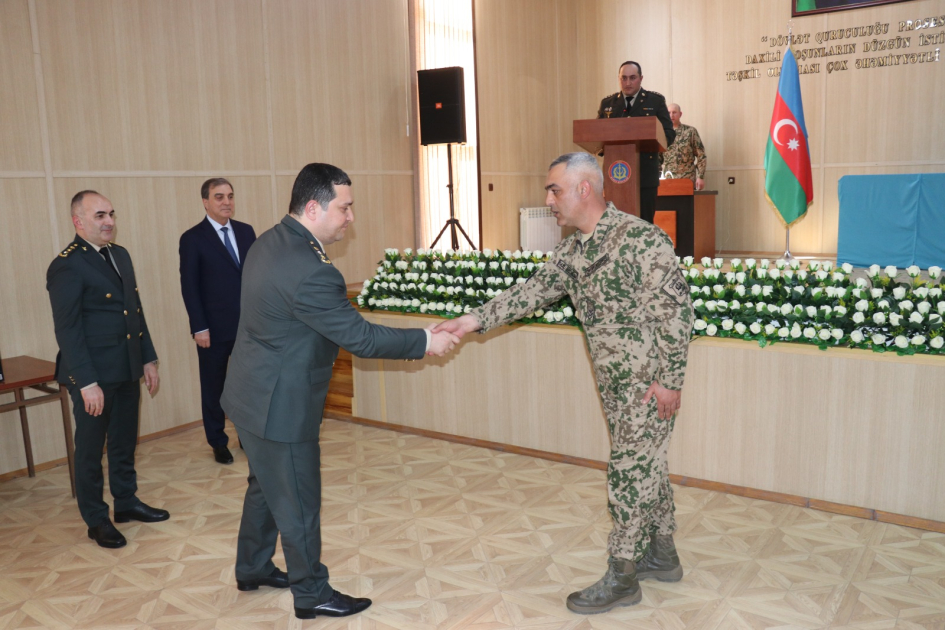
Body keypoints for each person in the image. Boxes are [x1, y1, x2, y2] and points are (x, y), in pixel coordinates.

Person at [434, 152, 693, 614]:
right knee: (647, 462)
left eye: (554, 189)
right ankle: (664, 553)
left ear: (584, 189)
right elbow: (528, 293)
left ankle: (623, 573)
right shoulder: (574, 251)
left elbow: (676, 315)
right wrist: (471, 320)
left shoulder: (639, 239)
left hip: (647, 385)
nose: (548, 199)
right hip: (614, 386)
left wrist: (670, 381)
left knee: (629, 471)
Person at [221, 163, 459, 620]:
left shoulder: (269, 240)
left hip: (248, 394)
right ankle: (311, 592)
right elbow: (362, 338)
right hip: (280, 407)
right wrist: (426, 340)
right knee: (299, 503)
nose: (350, 217)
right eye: (344, 207)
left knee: (265, 488)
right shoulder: (312, 271)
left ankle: (251, 566)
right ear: (314, 207)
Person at [46, 191, 169, 549]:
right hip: (93, 375)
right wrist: (86, 382)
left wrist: (147, 358)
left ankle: (126, 502)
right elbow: (67, 329)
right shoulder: (67, 265)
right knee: (89, 450)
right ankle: (96, 519)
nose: (109, 222)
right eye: (99, 215)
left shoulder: (120, 255)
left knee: (124, 442)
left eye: (111, 214)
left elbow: (135, 310)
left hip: (126, 367)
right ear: (78, 221)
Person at [179, 178, 256, 464]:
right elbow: (190, 286)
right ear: (206, 202)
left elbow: (256, 277)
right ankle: (217, 440)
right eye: (219, 197)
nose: (227, 202)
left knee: (247, 384)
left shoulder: (247, 232)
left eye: (230, 196)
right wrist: (199, 327)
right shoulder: (193, 238)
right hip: (212, 329)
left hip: (248, 327)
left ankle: (247, 435)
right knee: (214, 386)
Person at [597, 61, 675, 223]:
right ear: (619, 79)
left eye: (632, 78)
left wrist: (651, 142)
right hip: (615, 175)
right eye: (623, 78)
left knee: (644, 223)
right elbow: (598, 135)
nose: (627, 83)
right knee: (616, 224)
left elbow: (668, 134)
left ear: (641, 79)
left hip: (645, 174)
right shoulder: (608, 104)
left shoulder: (655, 101)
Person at [663, 103, 707, 191]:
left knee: (687, 204)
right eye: (668, 113)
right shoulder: (662, 133)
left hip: (687, 178)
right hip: (668, 178)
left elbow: (701, 155)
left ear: (680, 114)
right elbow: (658, 157)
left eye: (674, 112)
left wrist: (700, 177)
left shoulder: (690, 132)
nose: (671, 115)